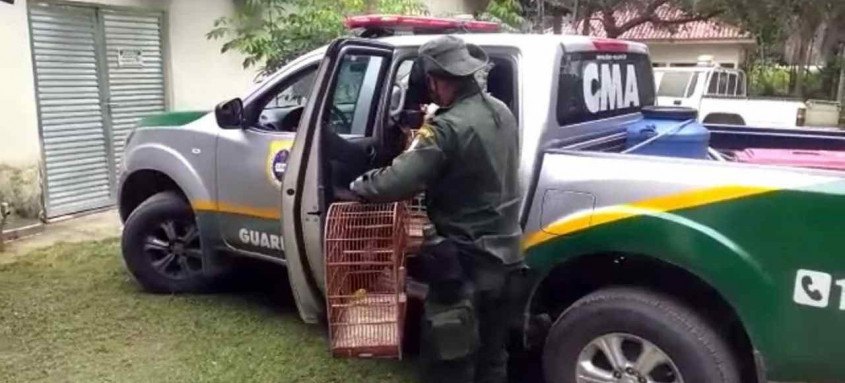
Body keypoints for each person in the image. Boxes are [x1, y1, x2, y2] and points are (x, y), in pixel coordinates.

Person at [349, 35, 522, 383]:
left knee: (448, 364)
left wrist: (359, 185)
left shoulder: (446, 127)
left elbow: (395, 182)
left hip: (464, 265)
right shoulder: (501, 111)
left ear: (435, 80)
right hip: (508, 262)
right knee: (491, 361)